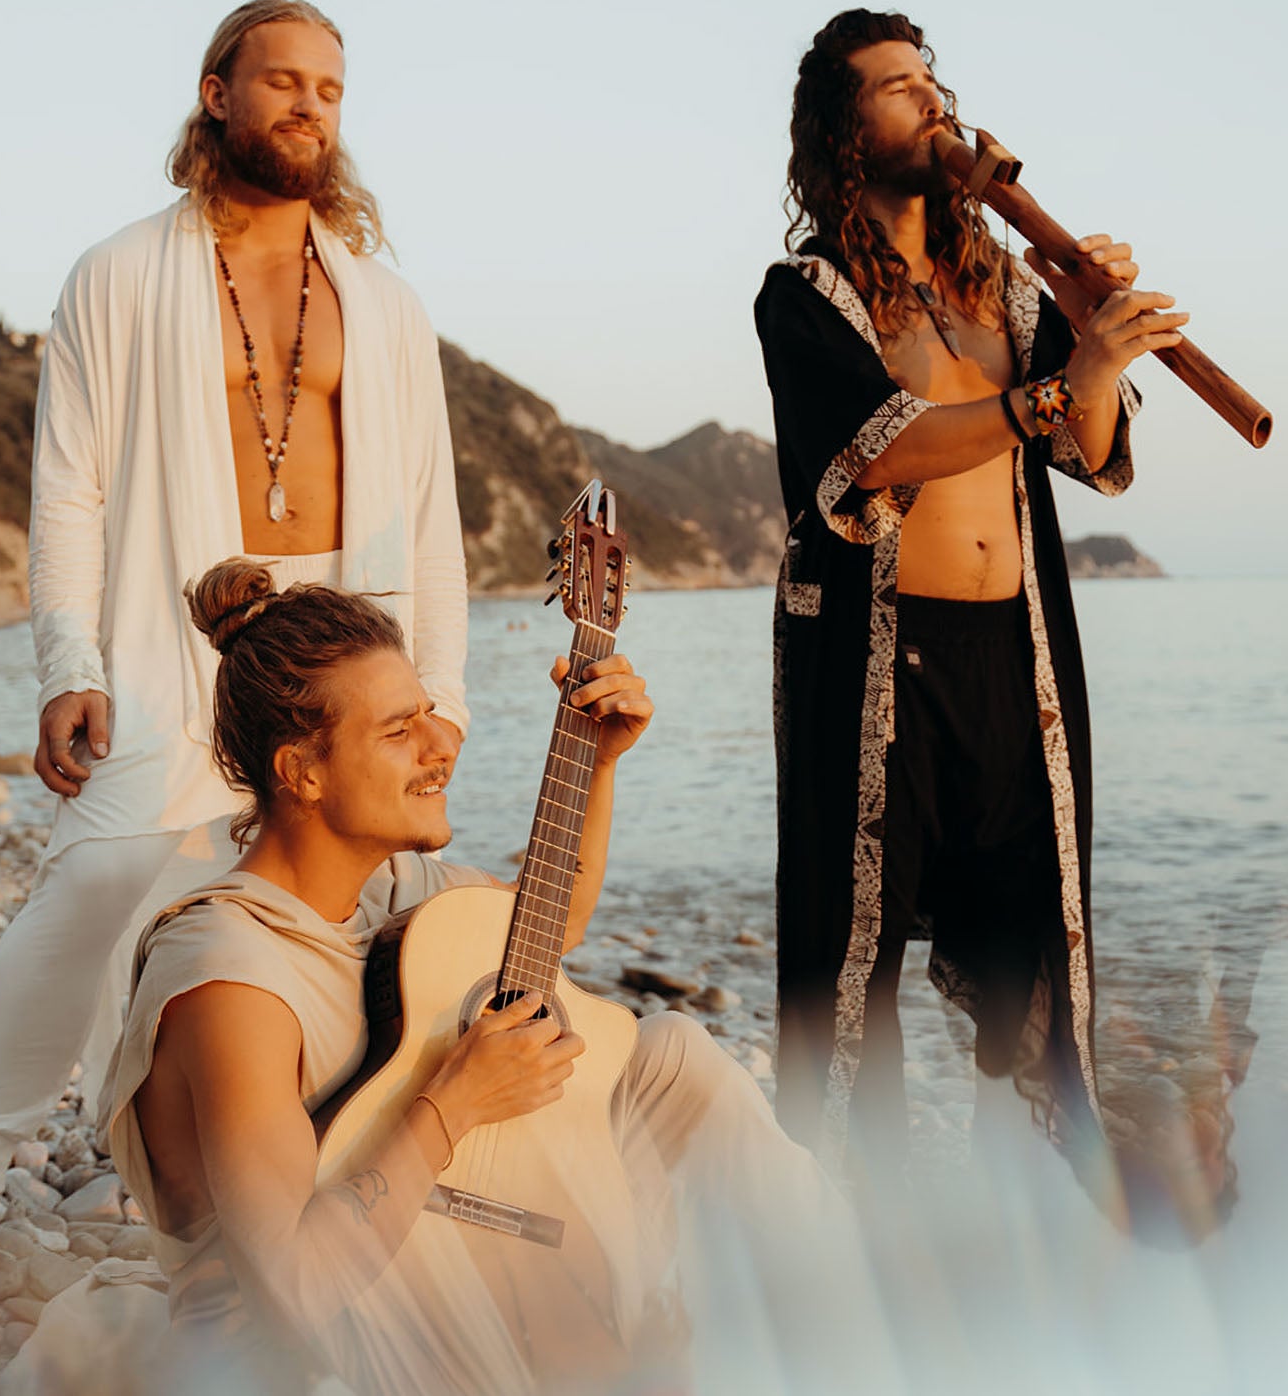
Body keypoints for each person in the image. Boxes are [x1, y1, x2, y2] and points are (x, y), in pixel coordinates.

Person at [0, 0, 469, 1322]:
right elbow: (71, 492)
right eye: (281, 82)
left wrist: (434, 703)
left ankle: (344, 1203)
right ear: (215, 92)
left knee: (391, 925)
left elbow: (429, 516)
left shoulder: (384, 305)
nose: (308, 107)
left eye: (330, 88)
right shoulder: (115, 274)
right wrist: (66, 663)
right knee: (98, 878)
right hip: (172, 627)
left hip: (352, 642)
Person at [92, 559, 851, 1395]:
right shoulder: (231, 982)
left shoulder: (382, 888)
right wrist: (454, 1103)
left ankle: (853, 1303)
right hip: (311, 1349)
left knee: (669, 1050)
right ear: (302, 772)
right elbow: (296, 1295)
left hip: (433, 1241)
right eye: (398, 731)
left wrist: (595, 765)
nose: (443, 744)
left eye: (430, 714)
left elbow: (544, 928)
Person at [754, 9, 1188, 1179]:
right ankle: (844, 1212)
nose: (929, 99)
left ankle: (1057, 1202)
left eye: (930, 78)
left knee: (1042, 937)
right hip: (872, 660)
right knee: (852, 955)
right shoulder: (806, 292)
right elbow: (878, 449)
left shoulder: (1002, 281)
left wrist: (1096, 345)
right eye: (895, 87)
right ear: (846, 133)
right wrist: (1054, 394)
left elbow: (1090, 453)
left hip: (1018, 655)